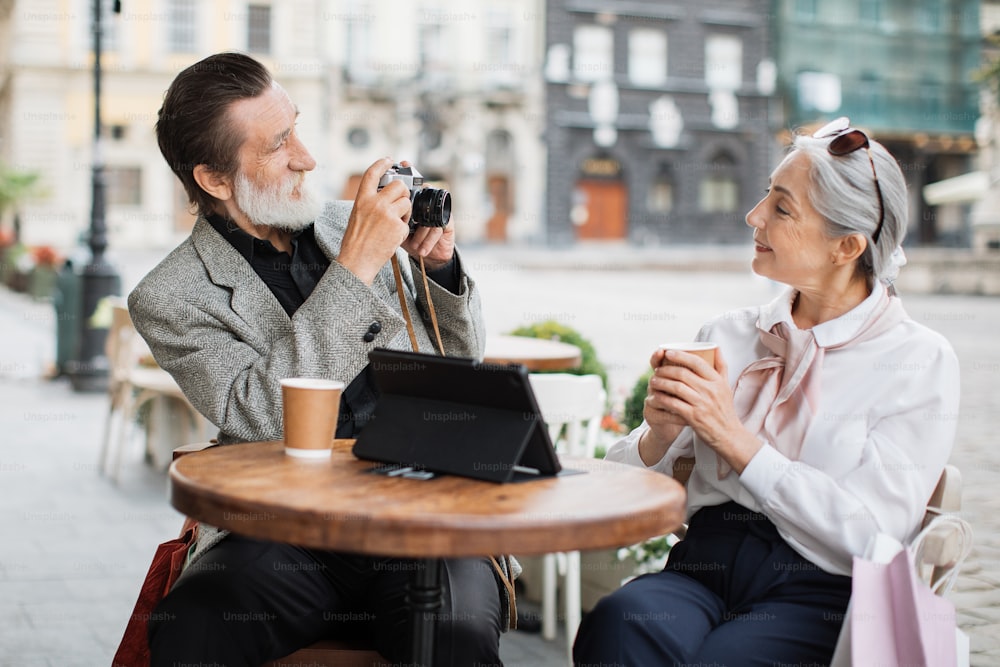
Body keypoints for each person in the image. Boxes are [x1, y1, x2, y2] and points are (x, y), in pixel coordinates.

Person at [128, 52, 506, 666]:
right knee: (194, 621)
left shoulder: (351, 224)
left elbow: (458, 363)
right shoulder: (169, 296)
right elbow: (261, 417)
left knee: (453, 634)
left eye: (297, 127)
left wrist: (439, 270)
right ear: (215, 180)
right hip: (282, 530)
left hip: (419, 514)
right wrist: (354, 269)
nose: (308, 156)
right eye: (279, 145)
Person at [573, 117, 960, 666]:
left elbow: (873, 532)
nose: (753, 216)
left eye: (782, 208)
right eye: (765, 196)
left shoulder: (918, 360)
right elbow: (636, 489)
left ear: (845, 246)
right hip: (702, 567)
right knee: (618, 625)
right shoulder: (727, 335)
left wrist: (736, 442)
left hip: (823, 589)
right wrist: (655, 439)